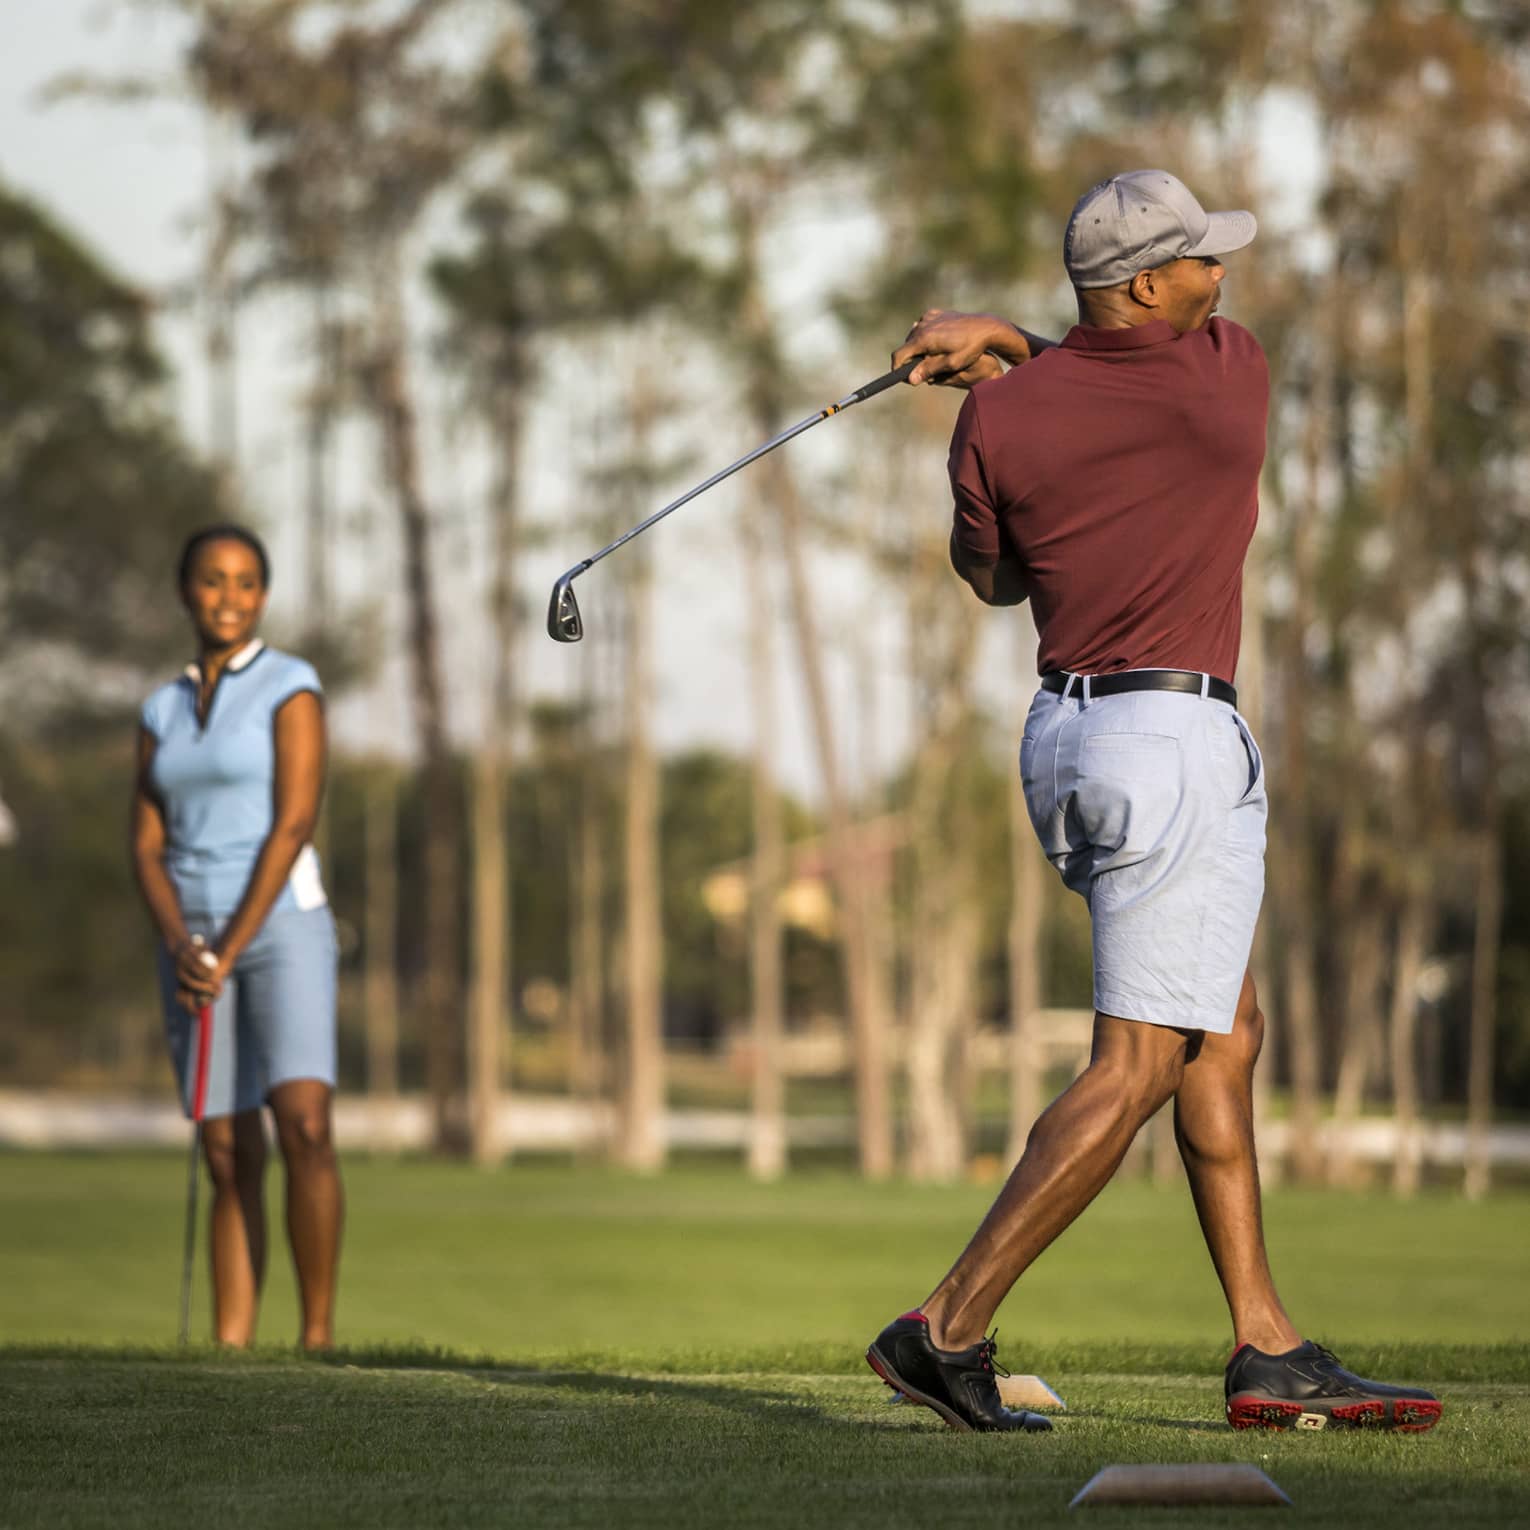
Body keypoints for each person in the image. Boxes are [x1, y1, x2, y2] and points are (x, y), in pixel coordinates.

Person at [865, 171, 1441, 1434]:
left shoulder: (991, 427)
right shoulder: (1226, 378)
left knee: (1220, 1032)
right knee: (1138, 1064)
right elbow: (1117, 370)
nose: (1219, 280)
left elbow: (995, 580)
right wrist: (1007, 340)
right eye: (1198, 263)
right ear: (1144, 285)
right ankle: (943, 1328)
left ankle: (1266, 1342)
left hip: (1068, 742)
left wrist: (1009, 365)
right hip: (1176, 742)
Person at [131, 524, 342, 1349]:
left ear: (264, 594)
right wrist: (186, 941)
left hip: (281, 925)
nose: (229, 597)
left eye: (247, 582)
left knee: (306, 1122)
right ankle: (232, 1344)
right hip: (191, 940)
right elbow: (144, 844)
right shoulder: (160, 707)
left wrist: (227, 944)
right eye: (213, 581)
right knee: (225, 1145)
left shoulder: (292, 686)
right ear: (186, 590)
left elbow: (292, 824)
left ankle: (317, 1337)